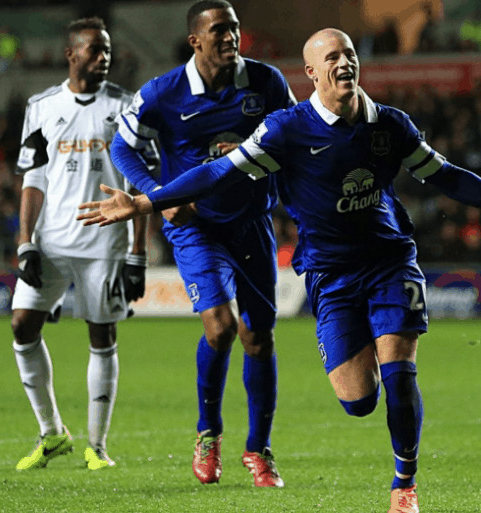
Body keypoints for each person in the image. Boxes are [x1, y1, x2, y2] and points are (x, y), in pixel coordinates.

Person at [78, 28, 481, 512]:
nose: (344, 63)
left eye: (348, 54)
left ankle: (403, 486)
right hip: (329, 275)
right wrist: (146, 202)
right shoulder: (286, 130)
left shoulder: (391, 124)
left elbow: (446, 176)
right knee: (359, 401)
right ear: (313, 74)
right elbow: (216, 172)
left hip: (389, 260)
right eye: (332, 58)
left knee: (400, 373)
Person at [110, 0, 295, 487]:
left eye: (234, 28)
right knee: (220, 328)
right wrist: (154, 194)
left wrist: (265, 162)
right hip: (195, 225)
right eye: (219, 30)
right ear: (196, 40)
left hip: (252, 221)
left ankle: (258, 450)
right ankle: (208, 433)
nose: (231, 37)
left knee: (259, 335)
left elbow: (296, 140)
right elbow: (121, 145)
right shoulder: (163, 92)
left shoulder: (267, 83)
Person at [10, 17, 151, 472]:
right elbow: (32, 177)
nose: (104, 57)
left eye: (107, 49)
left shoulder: (127, 106)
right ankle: (52, 434)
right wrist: (24, 242)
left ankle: (98, 446)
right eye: (94, 49)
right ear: (71, 55)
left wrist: (138, 252)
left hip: (105, 243)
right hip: (51, 241)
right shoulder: (42, 105)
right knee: (21, 326)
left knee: (101, 336)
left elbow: (142, 183)